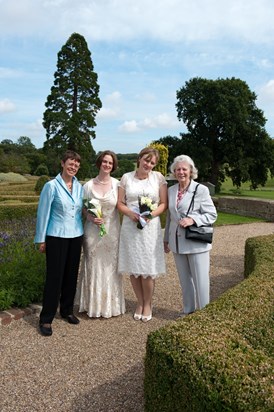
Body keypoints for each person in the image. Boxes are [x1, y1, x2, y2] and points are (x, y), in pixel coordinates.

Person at [35, 150, 84, 336]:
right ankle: (46, 318)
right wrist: (41, 239)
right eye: (71, 163)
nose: (73, 167)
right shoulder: (51, 186)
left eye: (77, 165)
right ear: (62, 163)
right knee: (54, 277)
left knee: (71, 276)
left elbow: (82, 210)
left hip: (76, 235)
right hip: (55, 236)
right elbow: (43, 213)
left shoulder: (80, 187)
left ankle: (66, 311)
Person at [117, 147, 167, 322]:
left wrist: (150, 215)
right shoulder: (126, 178)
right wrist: (130, 214)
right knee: (134, 267)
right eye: (147, 160)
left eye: (152, 162)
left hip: (150, 228)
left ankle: (148, 304)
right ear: (139, 159)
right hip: (131, 227)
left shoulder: (158, 178)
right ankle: (139, 302)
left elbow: (163, 204)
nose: (149, 164)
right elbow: (120, 203)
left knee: (147, 269)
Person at [164, 155, 217, 317]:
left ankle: (203, 315)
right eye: (178, 169)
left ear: (191, 171)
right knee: (185, 281)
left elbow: (212, 215)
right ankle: (188, 310)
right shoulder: (171, 190)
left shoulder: (201, 190)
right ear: (174, 172)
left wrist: (193, 219)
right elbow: (169, 217)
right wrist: (166, 239)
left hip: (196, 243)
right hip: (177, 243)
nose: (181, 172)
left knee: (201, 281)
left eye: (184, 169)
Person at [76, 150, 125, 318]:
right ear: (99, 163)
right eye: (105, 161)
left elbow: (123, 206)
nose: (107, 165)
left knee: (110, 268)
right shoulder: (88, 186)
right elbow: (81, 207)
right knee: (92, 266)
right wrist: (89, 216)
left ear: (113, 166)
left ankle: (111, 306)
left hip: (111, 233)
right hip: (92, 232)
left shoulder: (118, 185)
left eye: (110, 163)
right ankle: (92, 306)